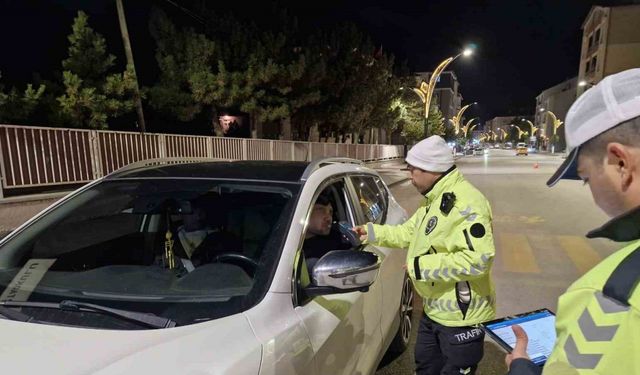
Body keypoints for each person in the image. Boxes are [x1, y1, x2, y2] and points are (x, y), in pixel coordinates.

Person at [505, 69, 640, 374]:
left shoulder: (614, 297)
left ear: (620, 161)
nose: (591, 192)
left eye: (585, 178)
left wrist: (522, 367)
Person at [353, 135, 497, 375]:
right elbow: (408, 233)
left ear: (433, 169)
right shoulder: (434, 200)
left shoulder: (468, 203)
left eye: (413, 170)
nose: (410, 177)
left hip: (461, 319)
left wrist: (420, 267)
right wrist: (369, 232)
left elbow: (479, 259)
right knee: (426, 367)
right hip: (434, 311)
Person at [303, 194, 352, 268]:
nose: (329, 218)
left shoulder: (337, 242)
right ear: (306, 213)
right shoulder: (287, 242)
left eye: (330, 212)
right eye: (320, 210)